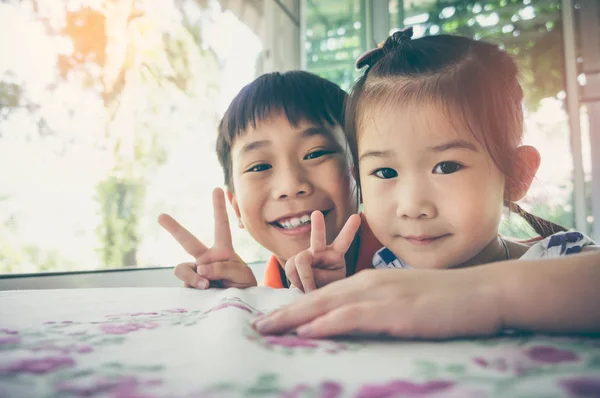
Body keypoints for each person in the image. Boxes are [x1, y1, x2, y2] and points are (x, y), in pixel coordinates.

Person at [253, 29, 600, 338]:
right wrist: (334, 289)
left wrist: (476, 296)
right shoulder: (386, 272)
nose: (413, 206)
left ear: (516, 173)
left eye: (446, 166)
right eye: (385, 173)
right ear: (358, 181)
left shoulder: (557, 261)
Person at [158, 71, 383, 290]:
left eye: (315, 153)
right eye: (260, 167)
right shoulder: (261, 291)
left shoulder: (410, 255)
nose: (290, 186)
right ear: (236, 207)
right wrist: (239, 305)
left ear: (361, 173)